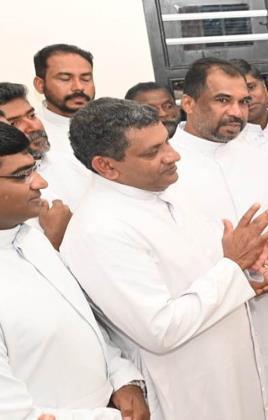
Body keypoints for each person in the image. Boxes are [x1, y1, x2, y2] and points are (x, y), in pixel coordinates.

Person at [60, 98, 268, 420]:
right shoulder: (99, 229)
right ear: (106, 166)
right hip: (187, 389)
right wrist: (233, 265)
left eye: (166, 141)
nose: (173, 155)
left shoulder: (167, 190)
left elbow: (205, 267)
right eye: (153, 152)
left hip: (229, 369)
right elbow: (161, 330)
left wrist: (248, 264)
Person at [166, 57, 268, 420]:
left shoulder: (260, 159)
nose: (237, 112)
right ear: (188, 103)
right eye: (223, 100)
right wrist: (236, 273)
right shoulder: (166, 166)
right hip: (210, 317)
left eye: (243, 101)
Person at [0, 123, 148, 420]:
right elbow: (14, 414)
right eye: (21, 175)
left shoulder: (31, 238)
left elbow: (82, 321)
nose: (41, 182)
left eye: (34, 168)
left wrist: (123, 379)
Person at [0, 82, 73, 249]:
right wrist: (55, 239)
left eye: (32, 115)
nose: (33, 126)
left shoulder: (74, 163)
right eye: (14, 123)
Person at [31, 44, 96, 206]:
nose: (78, 87)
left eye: (86, 78)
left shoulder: (118, 124)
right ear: (40, 84)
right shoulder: (29, 133)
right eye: (65, 79)